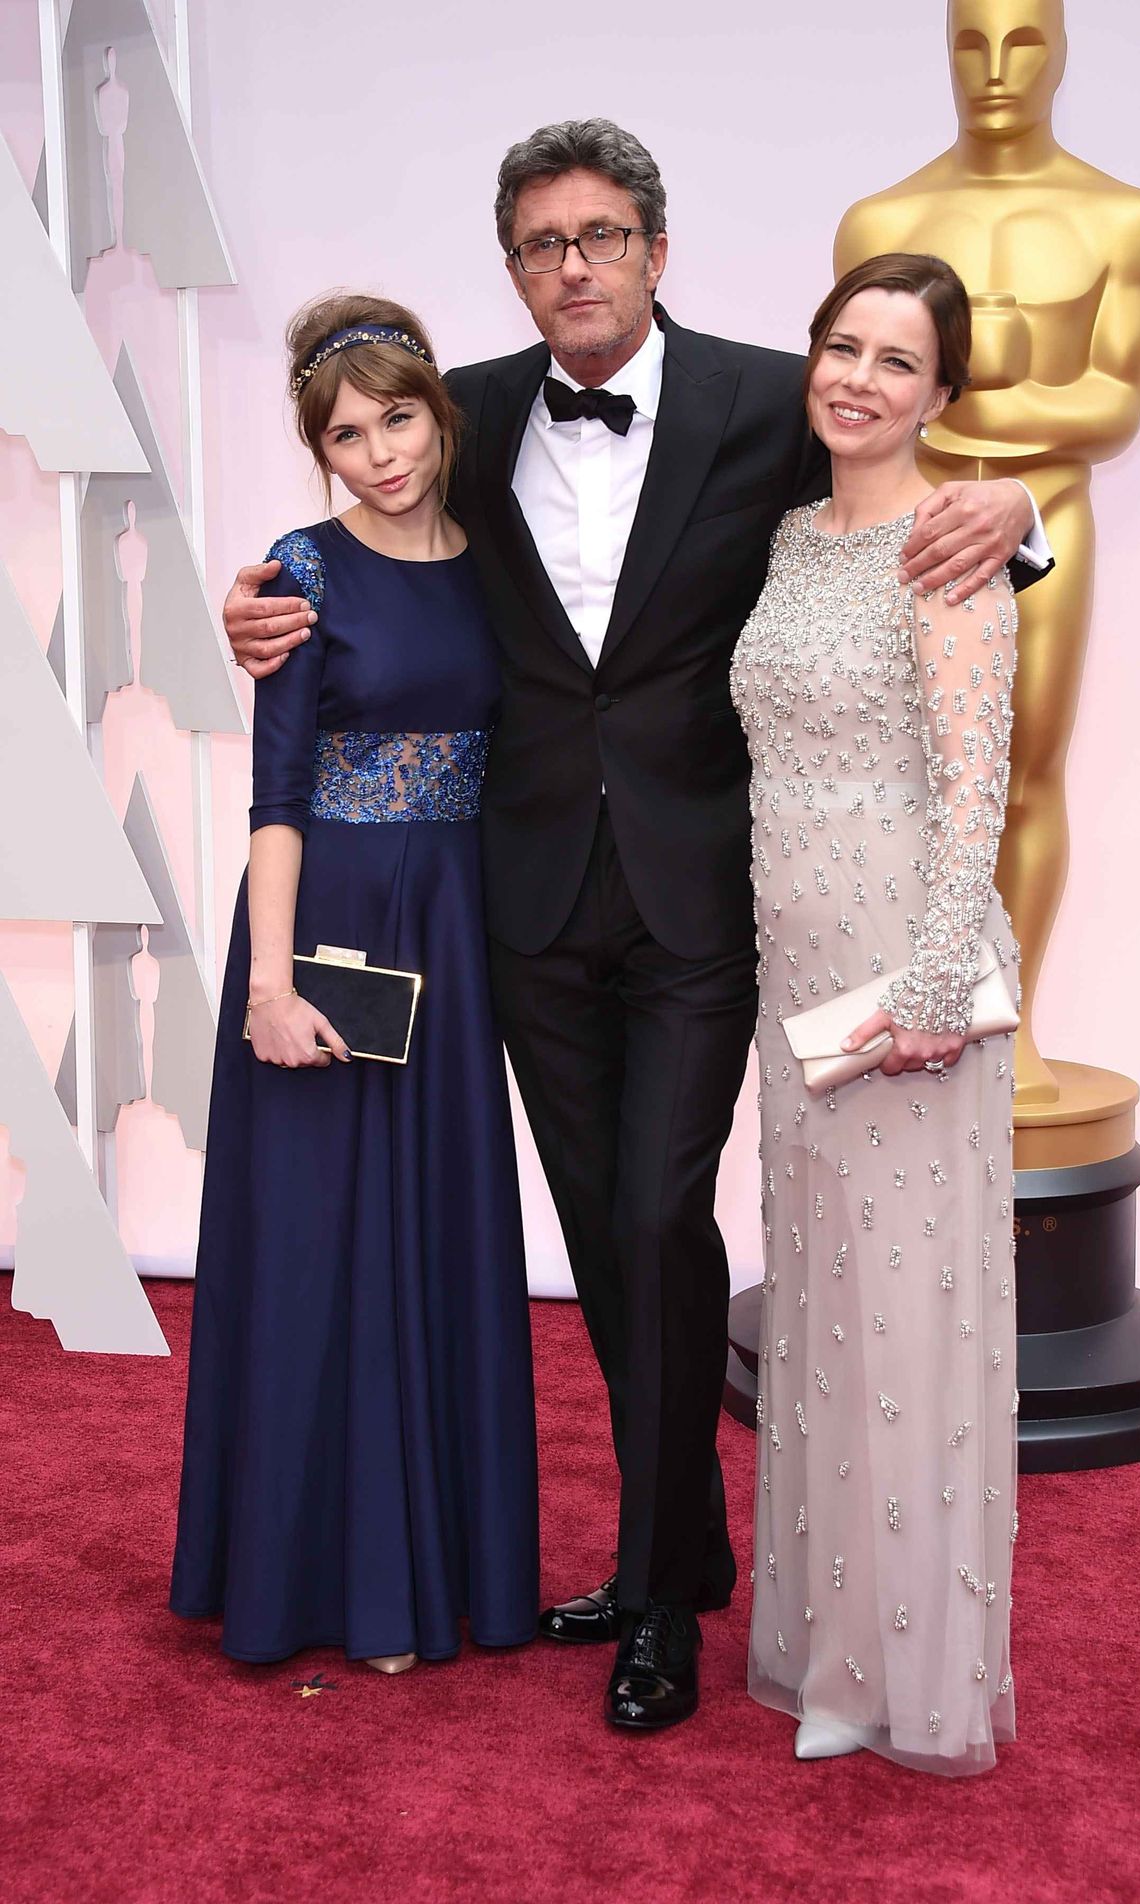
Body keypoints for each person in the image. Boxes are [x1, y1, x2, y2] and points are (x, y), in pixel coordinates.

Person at [224, 121, 1047, 1731]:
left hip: (699, 894)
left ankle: (662, 1599)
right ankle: (680, 1544)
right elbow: (359, 550)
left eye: (600, 237)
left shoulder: (764, 395)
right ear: (514, 266)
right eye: (542, 245)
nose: (573, 269)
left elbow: (898, 490)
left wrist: (1015, 512)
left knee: (666, 1219)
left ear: (657, 251)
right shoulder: (457, 413)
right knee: (606, 1237)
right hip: (518, 902)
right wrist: (257, 605)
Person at [170, 294, 539, 1671]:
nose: (379, 454)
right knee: (327, 1247)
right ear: (316, 447)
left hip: (452, 928)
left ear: (440, 412)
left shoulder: (497, 550)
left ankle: (431, 1564)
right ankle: (333, 1583)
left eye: (397, 420)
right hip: (326, 928)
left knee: (435, 1232)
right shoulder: (301, 571)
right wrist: (268, 986)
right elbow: (275, 796)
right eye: (345, 434)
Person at [733, 254, 1017, 1773]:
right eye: (842, 346)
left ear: (943, 397)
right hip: (797, 981)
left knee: (903, 1321)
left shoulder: (955, 545)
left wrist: (925, 990)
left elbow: (981, 786)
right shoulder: (785, 537)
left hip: (903, 989)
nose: (858, 378)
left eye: (898, 362)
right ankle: (837, 1638)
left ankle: (900, 1678)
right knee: (829, 1314)